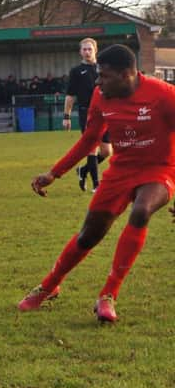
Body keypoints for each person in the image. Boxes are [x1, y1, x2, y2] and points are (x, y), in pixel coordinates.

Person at [19, 44, 175, 322]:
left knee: (141, 212)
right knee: (88, 235)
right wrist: (54, 173)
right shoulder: (100, 96)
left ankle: (108, 295)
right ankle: (49, 285)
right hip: (121, 170)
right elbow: (90, 140)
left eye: (104, 76)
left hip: (159, 169)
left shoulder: (163, 95)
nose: (98, 82)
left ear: (127, 74)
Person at [63, 38, 113, 192]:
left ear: (95, 50)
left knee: (106, 151)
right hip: (87, 112)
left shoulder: (103, 69)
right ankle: (96, 185)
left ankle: (83, 171)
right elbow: (70, 96)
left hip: (105, 112)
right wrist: (66, 117)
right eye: (84, 49)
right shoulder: (76, 71)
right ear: (80, 52)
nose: (87, 52)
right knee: (92, 147)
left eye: (89, 49)